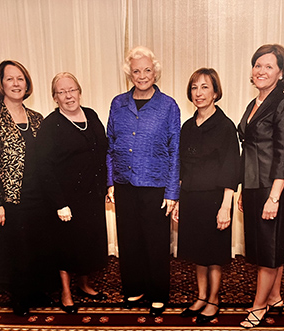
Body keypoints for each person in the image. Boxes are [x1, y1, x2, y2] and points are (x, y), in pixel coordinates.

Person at [106, 46, 181, 317]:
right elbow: (109, 144)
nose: (142, 75)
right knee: (129, 240)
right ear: (130, 73)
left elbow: (176, 149)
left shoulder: (168, 106)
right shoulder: (117, 103)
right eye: (136, 71)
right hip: (124, 183)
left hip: (156, 184)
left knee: (156, 242)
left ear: (155, 71)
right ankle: (134, 288)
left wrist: (173, 192)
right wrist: (110, 181)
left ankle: (158, 292)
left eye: (147, 70)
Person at [0, 60, 53, 316]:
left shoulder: (37, 118)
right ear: (1, 84)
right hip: (7, 197)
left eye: (20, 78)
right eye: (10, 79)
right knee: (15, 249)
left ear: (27, 83)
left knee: (36, 246)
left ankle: (36, 291)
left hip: (36, 195)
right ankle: (20, 299)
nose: (16, 83)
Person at [237, 44, 284, 328]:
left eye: (269, 66)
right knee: (265, 246)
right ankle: (274, 296)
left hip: (272, 188)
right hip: (252, 185)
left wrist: (274, 197)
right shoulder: (254, 104)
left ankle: (259, 306)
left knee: (268, 249)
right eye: (257, 65)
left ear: (281, 72)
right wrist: (242, 188)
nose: (261, 71)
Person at [37, 72, 108, 314]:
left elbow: (103, 151)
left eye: (72, 89)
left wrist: (108, 185)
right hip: (65, 199)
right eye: (62, 92)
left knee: (88, 242)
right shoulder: (50, 125)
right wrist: (59, 203)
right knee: (66, 245)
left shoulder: (91, 115)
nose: (68, 95)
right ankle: (66, 292)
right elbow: (43, 167)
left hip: (92, 195)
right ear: (54, 97)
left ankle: (84, 284)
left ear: (79, 91)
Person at [173, 68, 240, 324]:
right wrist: (178, 200)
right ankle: (200, 296)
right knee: (197, 253)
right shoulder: (187, 126)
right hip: (190, 198)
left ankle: (214, 300)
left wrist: (226, 207)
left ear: (215, 92)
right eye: (194, 87)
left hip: (215, 200)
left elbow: (231, 168)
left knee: (214, 255)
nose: (198, 93)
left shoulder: (225, 126)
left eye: (204, 87)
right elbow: (181, 166)